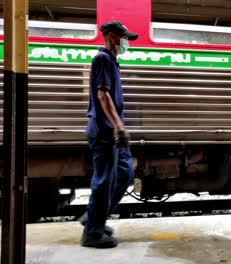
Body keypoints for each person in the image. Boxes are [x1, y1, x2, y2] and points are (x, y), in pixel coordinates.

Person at [79, 21, 138, 248]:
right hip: (105, 131)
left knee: (125, 174)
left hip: (113, 129)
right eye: (123, 37)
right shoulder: (102, 58)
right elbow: (103, 96)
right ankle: (92, 234)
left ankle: (92, 218)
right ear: (112, 37)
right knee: (104, 181)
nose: (126, 42)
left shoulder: (113, 61)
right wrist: (118, 127)